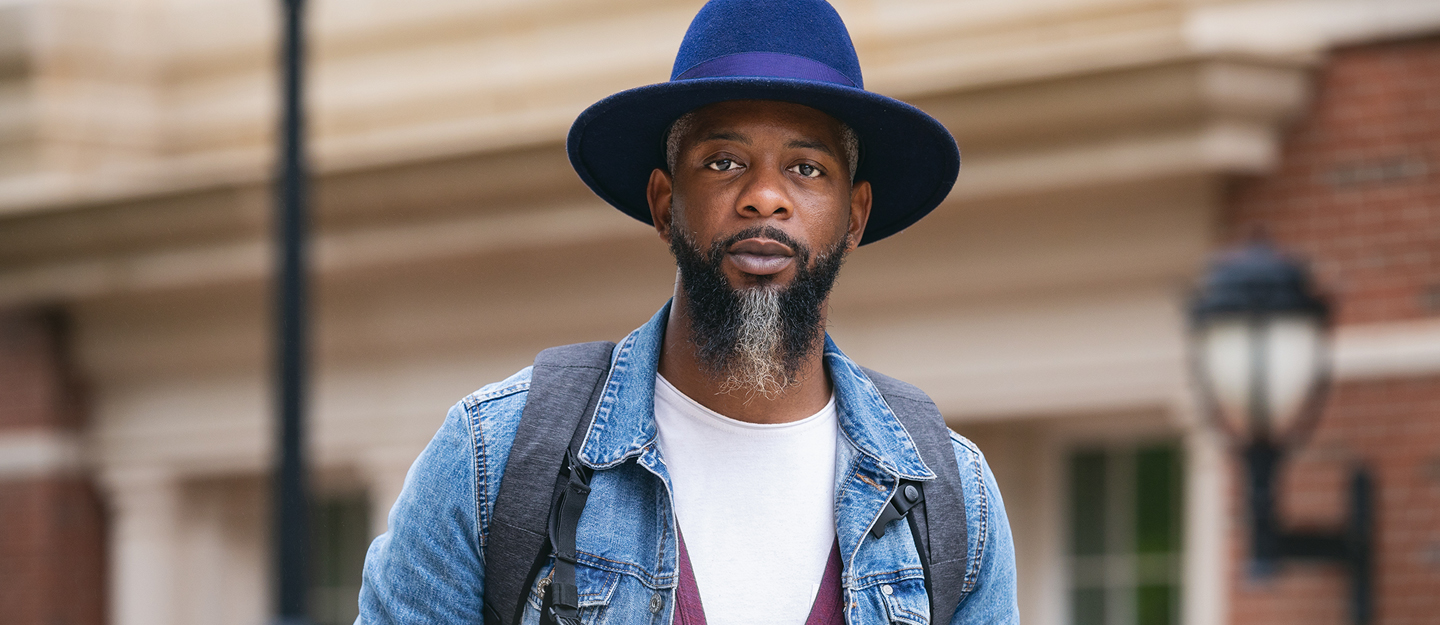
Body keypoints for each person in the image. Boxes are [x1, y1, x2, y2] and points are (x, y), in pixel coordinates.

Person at [357, 1, 1018, 623]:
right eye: (724, 161)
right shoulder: (492, 459)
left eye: (807, 168)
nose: (764, 197)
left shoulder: (952, 495)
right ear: (664, 203)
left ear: (855, 216)